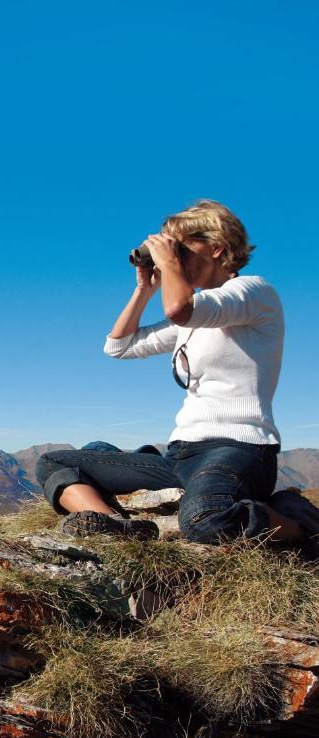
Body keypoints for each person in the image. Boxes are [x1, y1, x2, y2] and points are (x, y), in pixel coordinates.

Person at [35, 200, 316, 549]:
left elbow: (182, 309)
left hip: (240, 448)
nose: (174, 255)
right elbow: (118, 346)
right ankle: (113, 526)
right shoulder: (194, 317)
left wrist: (168, 265)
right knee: (53, 463)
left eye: (181, 246)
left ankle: (300, 524)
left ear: (217, 248)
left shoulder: (255, 293)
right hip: (181, 454)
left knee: (203, 519)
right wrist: (145, 289)